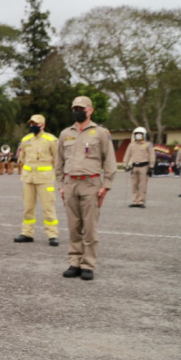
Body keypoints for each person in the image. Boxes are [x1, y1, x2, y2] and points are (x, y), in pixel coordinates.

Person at [55, 96, 116, 281]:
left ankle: (88, 264)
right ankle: (74, 262)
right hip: (70, 183)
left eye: (81, 108)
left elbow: (110, 161)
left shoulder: (100, 133)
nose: (77, 111)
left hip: (91, 184)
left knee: (90, 227)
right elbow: (59, 161)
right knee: (74, 227)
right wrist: (61, 185)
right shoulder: (66, 134)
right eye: (74, 108)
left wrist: (106, 186)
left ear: (90, 110)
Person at [13, 114, 60, 246]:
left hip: (45, 179)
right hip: (28, 178)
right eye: (31, 124)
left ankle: (52, 235)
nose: (33, 126)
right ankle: (27, 233)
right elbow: (21, 158)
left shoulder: (51, 139)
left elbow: (58, 159)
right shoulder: (26, 139)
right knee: (28, 208)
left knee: (48, 207)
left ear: (43, 125)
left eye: (36, 124)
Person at [122, 127, 154, 208]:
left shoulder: (148, 144)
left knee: (143, 185)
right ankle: (135, 201)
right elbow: (127, 155)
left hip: (144, 166)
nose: (138, 136)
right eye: (136, 134)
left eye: (140, 134)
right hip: (134, 166)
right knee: (134, 184)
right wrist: (125, 165)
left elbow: (152, 155)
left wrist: (151, 167)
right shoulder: (131, 145)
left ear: (143, 135)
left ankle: (141, 201)